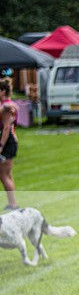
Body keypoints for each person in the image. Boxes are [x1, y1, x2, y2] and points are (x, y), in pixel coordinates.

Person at [0, 79, 19, 210]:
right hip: (10, 142)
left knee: (3, 174)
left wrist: (1, 146)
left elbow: (6, 128)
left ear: (3, 91)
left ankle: (13, 204)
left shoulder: (7, 107)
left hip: (7, 142)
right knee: (7, 174)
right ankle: (13, 203)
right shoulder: (6, 105)